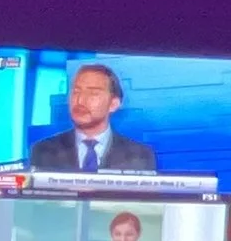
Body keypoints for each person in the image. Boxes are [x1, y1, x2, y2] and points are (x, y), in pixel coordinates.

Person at [29, 62, 158, 173]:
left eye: (93, 93)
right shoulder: (43, 151)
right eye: (76, 92)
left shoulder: (140, 156)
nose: (80, 100)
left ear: (113, 104)